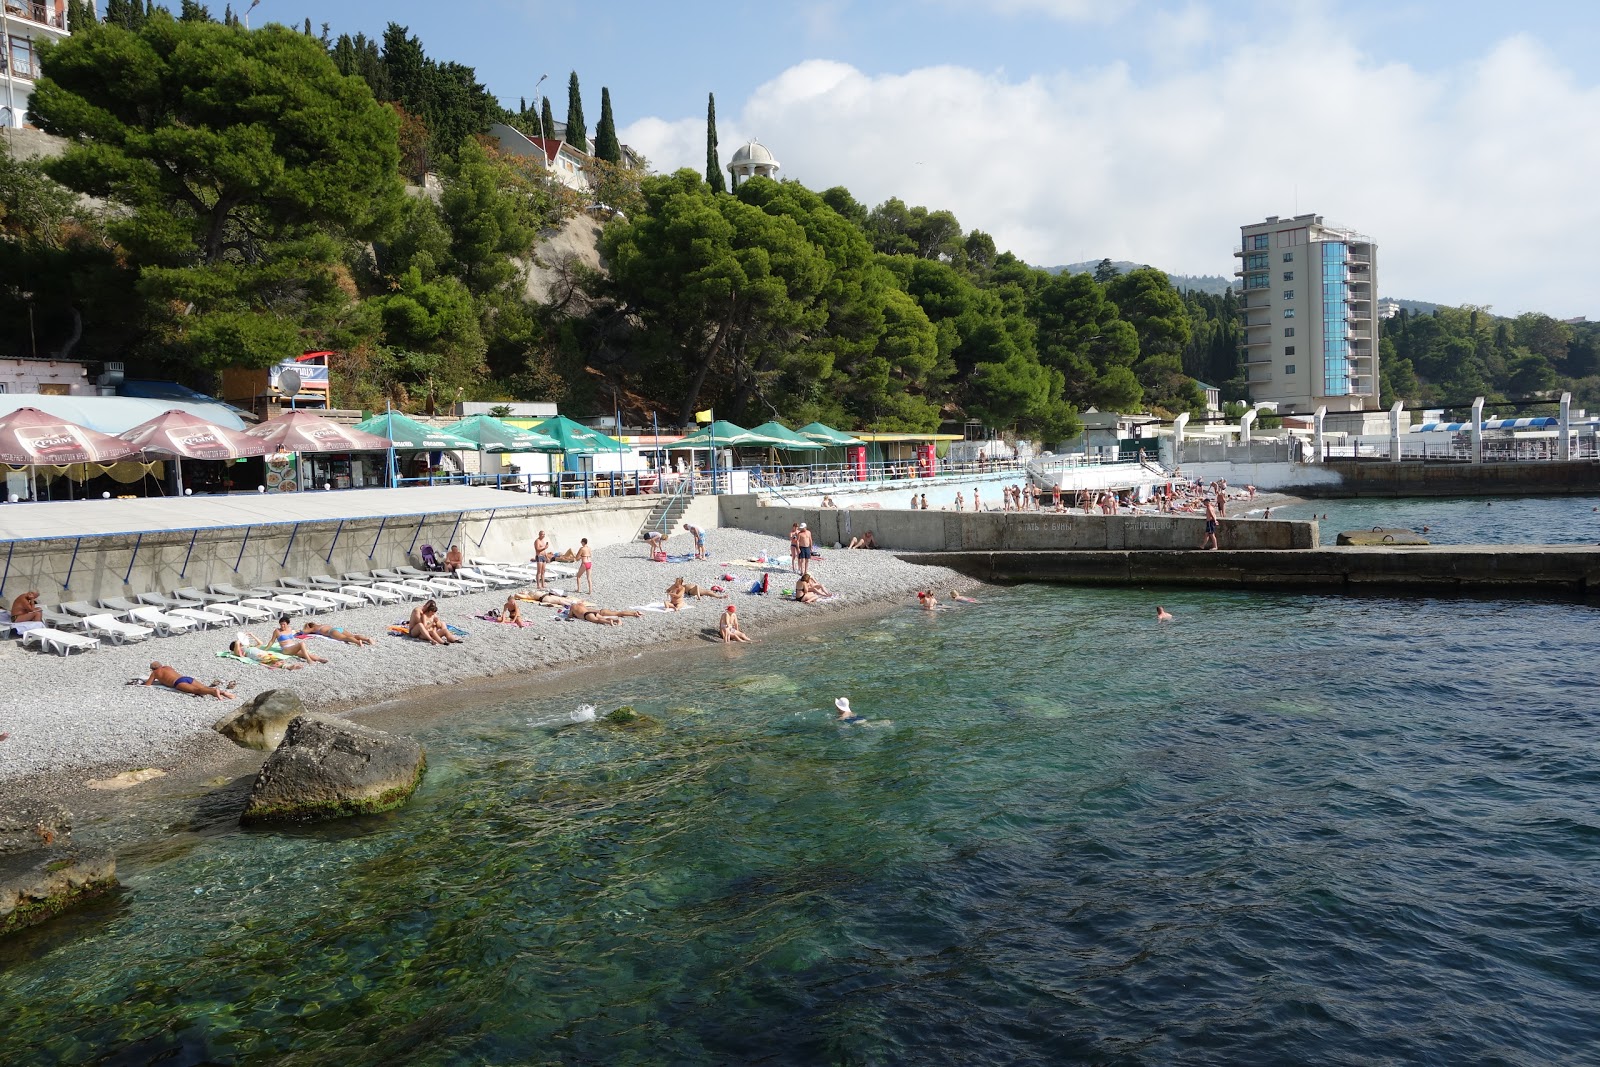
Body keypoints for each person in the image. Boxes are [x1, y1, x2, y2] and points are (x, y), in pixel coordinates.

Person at [144, 661, 236, 698]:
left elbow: (148, 684)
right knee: (203, 687)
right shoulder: (167, 667)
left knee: (196, 691)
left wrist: (155, 679)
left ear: (152, 669)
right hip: (186, 678)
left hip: (178, 683)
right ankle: (223, 692)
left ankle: (213, 691)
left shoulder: (155, 673)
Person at [265, 619, 330, 662]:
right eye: (281, 624)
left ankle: (320, 659)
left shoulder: (289, 629)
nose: (282, 626)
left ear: (287, 624)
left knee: (306, 653)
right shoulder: (277, 631)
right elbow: (272, 641)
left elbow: (299, 632)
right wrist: (266, 649)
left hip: (292, 647)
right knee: (301, 644)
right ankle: (308, 660)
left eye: (284, 624)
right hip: (285, 649)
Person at [225, 638, 303, 670]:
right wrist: (237, 643)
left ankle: (288, 666)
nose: (241, 643)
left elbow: (260, 643)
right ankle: (288, 667)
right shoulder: (239, 651)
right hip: (257, 655)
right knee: (271, 661)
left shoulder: (249, 646)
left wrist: (252, 636)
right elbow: (237, 652)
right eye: (238, 644)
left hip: (262, 653)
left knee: (277, 659)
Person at [299, 619, 375, 646]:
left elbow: (303, 632)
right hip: (338, 628)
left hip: (331, 632)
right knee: (353, 635)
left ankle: (358, 642)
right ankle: (367, 639)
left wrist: (298, 631)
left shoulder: (313, 628)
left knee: (344, 638)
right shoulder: (320, 625)